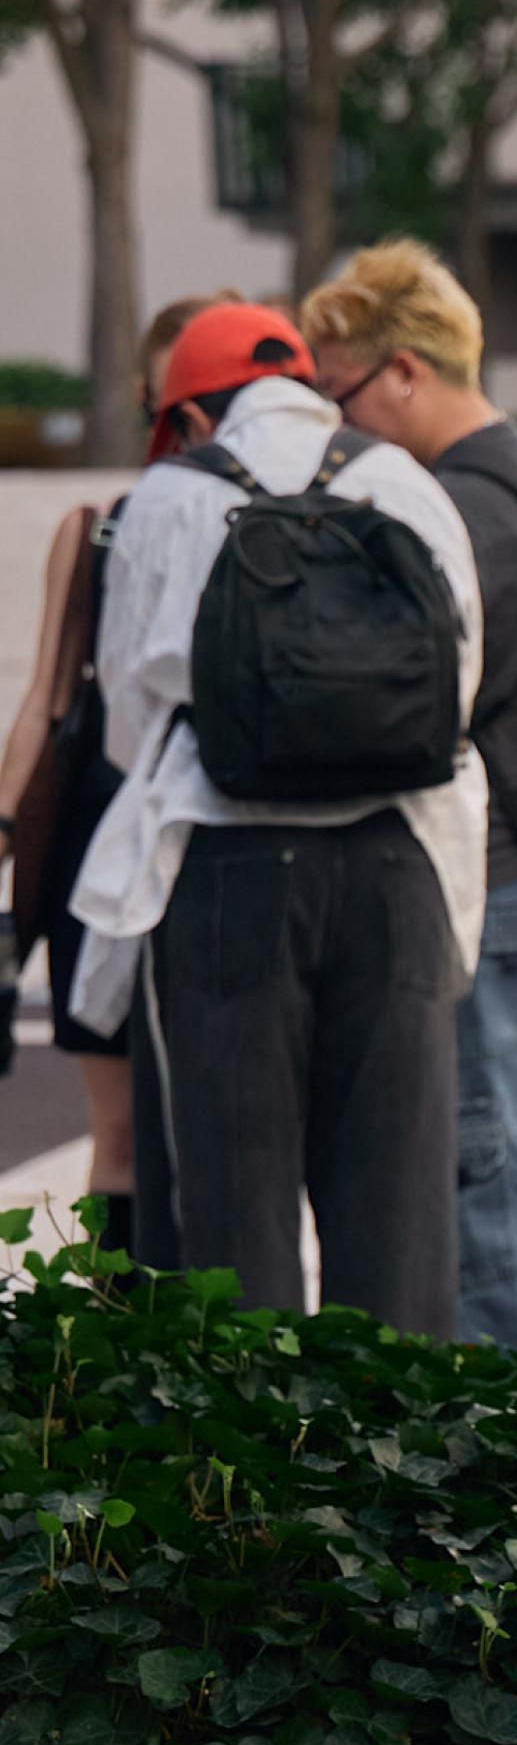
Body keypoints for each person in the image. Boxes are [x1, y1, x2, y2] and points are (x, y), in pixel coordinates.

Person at [69, 302, 485, 1332]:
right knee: (397, 1216)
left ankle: (244, 1486)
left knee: (228, 1219)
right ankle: (391, 1469)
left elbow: (129, 717)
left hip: (222, 866)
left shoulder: (166, 497)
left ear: (191, 417)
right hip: (399, 864)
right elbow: (459, 680)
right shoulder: (402, 481)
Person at [302, 240, 517, 1355]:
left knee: (494, 1196)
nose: (335, 427)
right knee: (503, 1179)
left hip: (489, 892)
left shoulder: (466, 507)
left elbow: (421, 705)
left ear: (402, 372)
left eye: (339, 395)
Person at [0, 297, 228, 1253]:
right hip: (97, 847)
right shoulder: (93, 528)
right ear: (152, 398)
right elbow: (48, 700)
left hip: (216, 842)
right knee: (121, 1134)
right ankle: (111, 1359)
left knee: (216, 1126)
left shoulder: (264, 514)